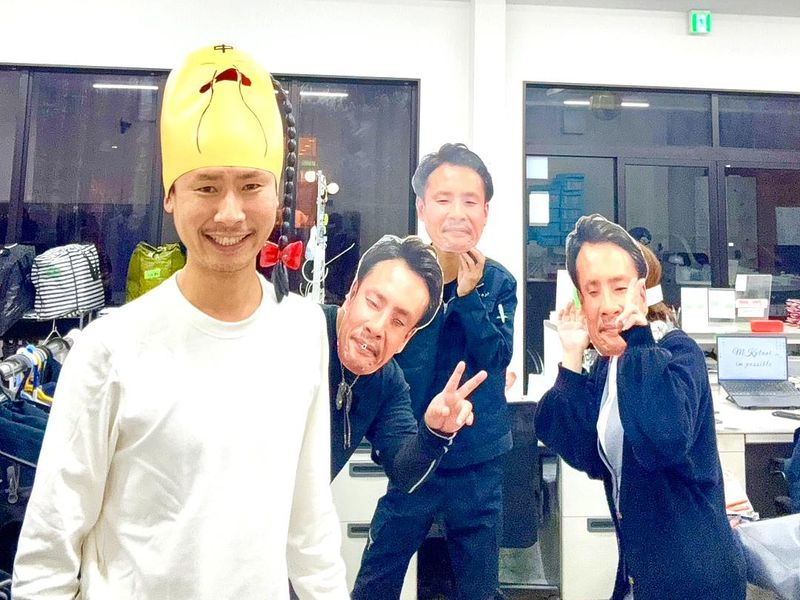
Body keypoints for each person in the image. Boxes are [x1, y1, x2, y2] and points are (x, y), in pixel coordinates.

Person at [13, 45, 348, 599]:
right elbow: (47, 553)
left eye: (251, 185)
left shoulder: (303, 330)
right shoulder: (110, 348)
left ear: (277, 195)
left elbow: (310, 528)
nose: (230, 213)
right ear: (171, 196)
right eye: (207, 186)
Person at [535, 214, 746, 600]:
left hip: (696, 578)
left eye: (619, 288)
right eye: (592, 291)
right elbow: (585, 453)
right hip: (639, 573)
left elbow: (663, 440)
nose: (607, 304)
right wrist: (571, 355)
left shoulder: (677, 353)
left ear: (642, 293)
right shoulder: (610, 365)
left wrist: (638, 339)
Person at [353, 143, 517, 600]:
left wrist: (469, 296)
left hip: (477, 460)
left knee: (479, 587)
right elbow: (384, 359)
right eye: (443, 199)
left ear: (485, 212)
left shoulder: (498, 282)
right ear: (423, 208)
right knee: (378, 576)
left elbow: (497, 359)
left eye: (470, 201)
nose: (457, 213)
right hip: (415, 453)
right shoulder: (401, 281)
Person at [324, 234, 484, 490]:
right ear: (352, 293)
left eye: (398, 322)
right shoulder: (300, 329)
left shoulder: (388, 382)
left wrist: (435, 433)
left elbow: (404, 472)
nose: (377, 328)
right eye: (373, 303)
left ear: (406, 338)